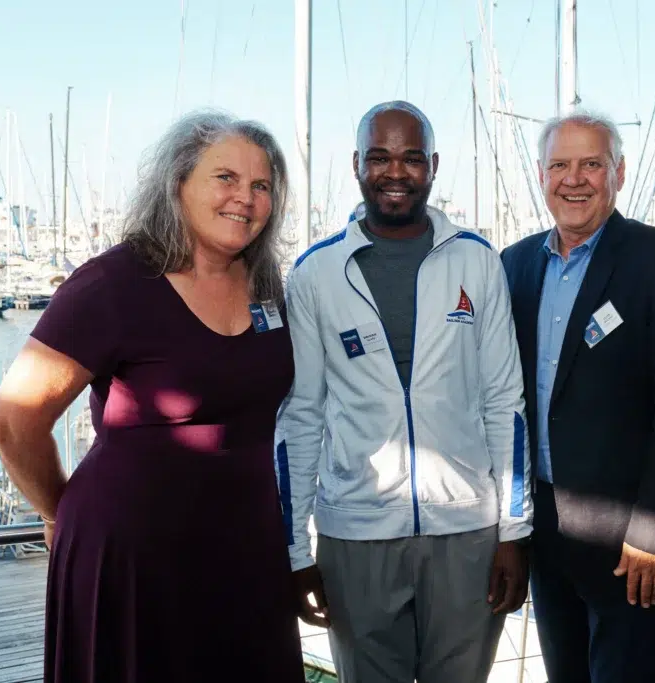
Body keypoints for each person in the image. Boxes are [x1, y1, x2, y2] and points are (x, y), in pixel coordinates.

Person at [0, 111, 305, 682]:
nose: (246, 198)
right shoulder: (113, 284)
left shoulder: (265, 284)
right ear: (178, 183)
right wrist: (60, 511)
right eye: (225, 178)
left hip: (246, 549)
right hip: (133, 559)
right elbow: (13, 422)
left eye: (262, 185)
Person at [277, 100, 531, 683]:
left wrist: (515, 531)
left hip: (467, 533)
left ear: (434, 165)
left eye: (411, 158)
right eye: (380, 157)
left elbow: (504, 403)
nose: (396, 173)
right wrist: (294, 552)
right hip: (355, 535)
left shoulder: (476, 260)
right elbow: (299, 418)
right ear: (357, 165)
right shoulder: (316, 273)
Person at [500, 110, 655, 682]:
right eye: (559, 165)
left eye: (591, 164)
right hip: (544, 534)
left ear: (618, 171)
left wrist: (654, 531)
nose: (575, 179)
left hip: (632, 546)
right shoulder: (514, 265)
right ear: (540, 176)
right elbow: (502, 401)